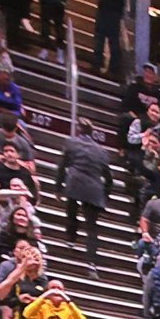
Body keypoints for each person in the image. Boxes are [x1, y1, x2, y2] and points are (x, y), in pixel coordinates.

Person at [56, 118, 114, 277]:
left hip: (75, 183)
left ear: (78, 130)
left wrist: (58, 188)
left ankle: (71, 239)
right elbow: (109, 179)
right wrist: (105, 196)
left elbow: (62, 167)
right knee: (92, 227)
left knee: (72, 212)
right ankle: (91, 262)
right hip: (94, 189)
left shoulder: (70, 143)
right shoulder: (102, 151)